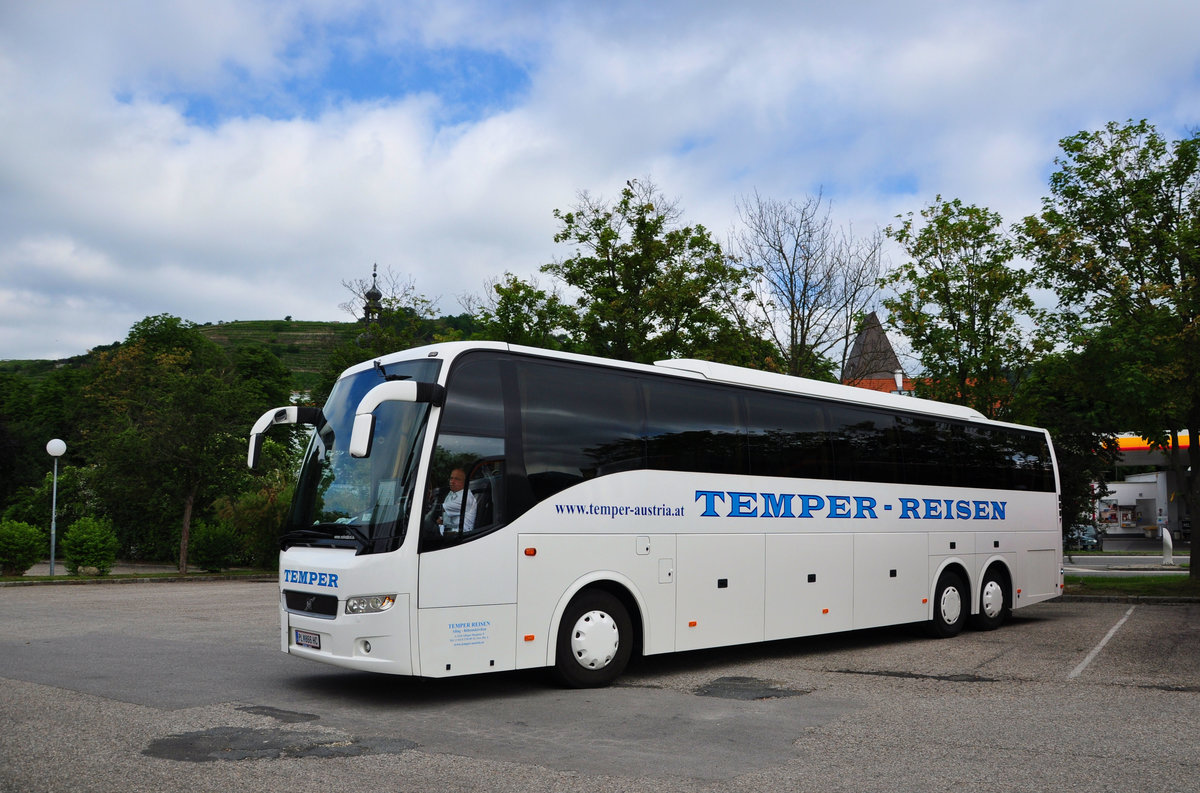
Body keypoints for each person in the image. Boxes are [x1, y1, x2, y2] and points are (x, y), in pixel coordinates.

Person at [440, 468, 476, 534]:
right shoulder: (451, 494)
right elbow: (444, 517)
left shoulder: (466, 497)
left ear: (465, 482)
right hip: (449, 532)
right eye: (451, 478)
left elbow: (440, 509)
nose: (452, 481)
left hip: (462, 537)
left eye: (457, 479)